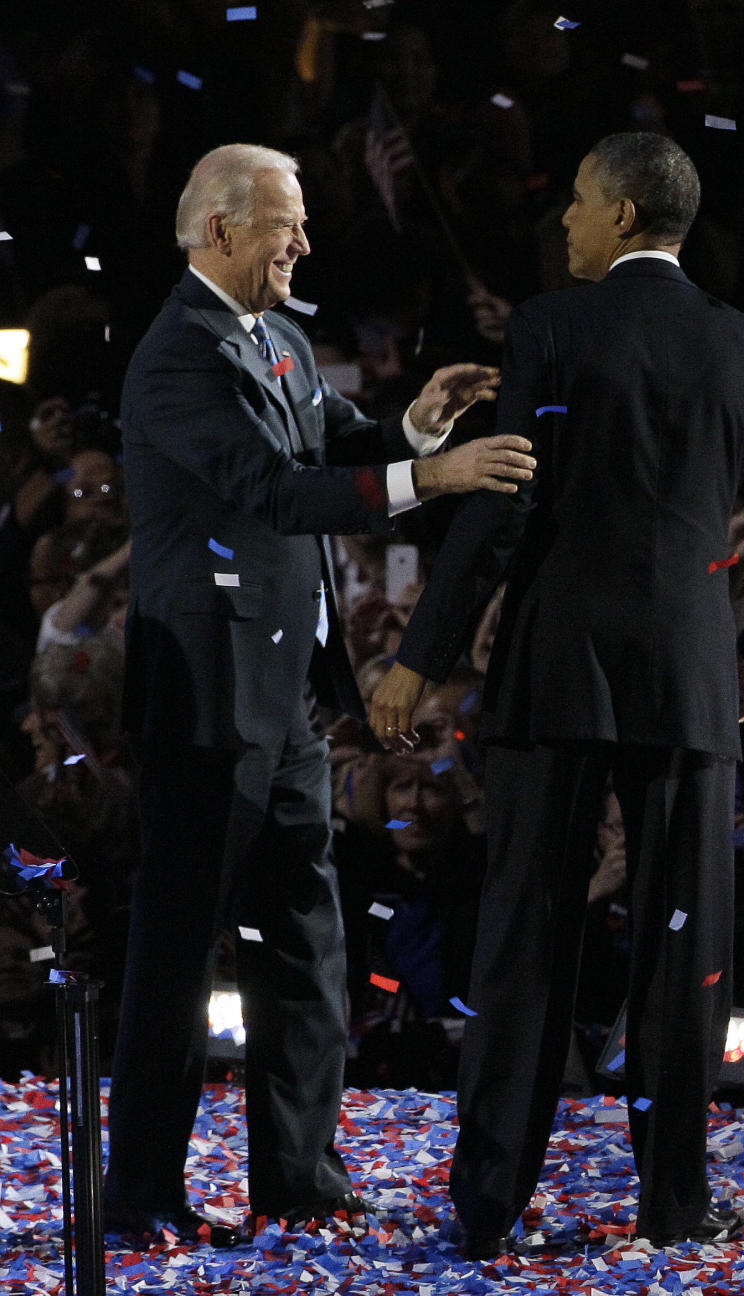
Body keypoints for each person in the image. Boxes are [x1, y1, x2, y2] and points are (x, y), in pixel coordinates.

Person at [369, 131, 744, 1253]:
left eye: (575, 201)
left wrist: (420, 652)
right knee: (684, 949)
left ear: (623, 215)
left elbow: (507, 496)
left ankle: (488, 1208)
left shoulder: (553, 328)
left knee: (525, 943)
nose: (562, 219)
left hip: (556, 673)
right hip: (689, 684)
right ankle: (672, 1204)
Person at [102, 142, 536, 1242]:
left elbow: (344, 445)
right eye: (285, 224)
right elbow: (274, 490)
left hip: (288, 693)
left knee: (306, 938)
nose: (304, 242)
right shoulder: (174, 361)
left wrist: (422, 425)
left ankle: (297, 1180)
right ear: (220, 233)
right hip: (206, 702)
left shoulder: (280, 338)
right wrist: (429, 479)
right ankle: (143, 1191)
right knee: (176, 948)